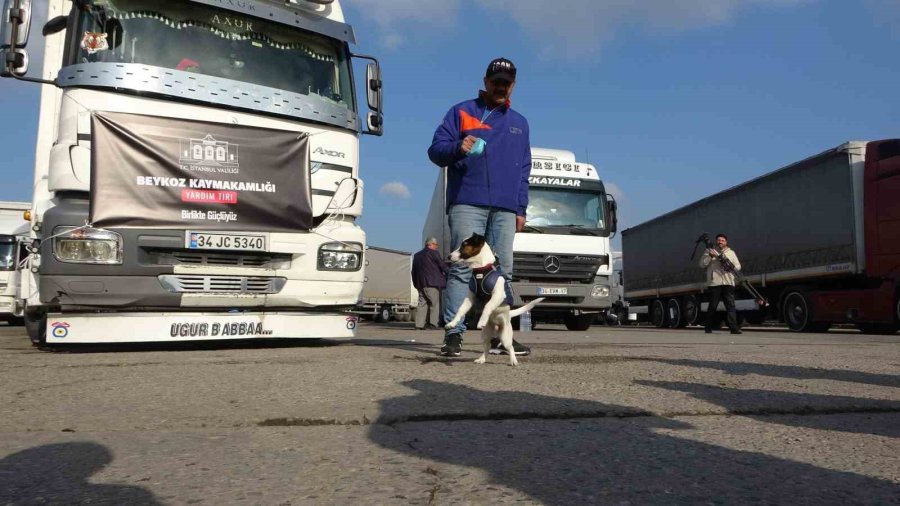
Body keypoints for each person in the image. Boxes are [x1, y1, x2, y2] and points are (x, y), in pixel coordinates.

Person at [427, 57, 532, 357]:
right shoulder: (461, 111)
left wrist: (521, 208)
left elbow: (525, 168)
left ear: (513, 86)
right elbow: (435, 150)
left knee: (503, 273)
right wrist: (456, 147)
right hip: (467, 203)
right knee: (461, 269)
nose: (500, 87)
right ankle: (454, 334)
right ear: (485, 82)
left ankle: (499, 337)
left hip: (505, 209)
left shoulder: (520, 124)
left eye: (506, 83)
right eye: (495, 81)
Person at [700, 233, 742, 335]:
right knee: (713, 306)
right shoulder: (709, 251)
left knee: (730, 306)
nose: (720, 242)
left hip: (728, 282)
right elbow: (702, 264)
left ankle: (734, 328)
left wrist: (730, 266)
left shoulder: (731, 253)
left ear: (726, 242)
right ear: (716, 241)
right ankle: (708, 328)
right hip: (715, 283)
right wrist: (710, 256)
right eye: (718, 240)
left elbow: (738, 266)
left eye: (722, 240)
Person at [411, 238, 448, 330]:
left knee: (422, 304)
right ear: (431, 244)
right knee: (434, 304)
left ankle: (419, 325)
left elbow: (413, 271)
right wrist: (451, 272)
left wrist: (416, 283)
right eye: (436, 245)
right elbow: (442, 265)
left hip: (420, 284)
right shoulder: (434, 253)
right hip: (432, 284)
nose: (437, 246)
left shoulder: (417, 255)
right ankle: (433, 324)